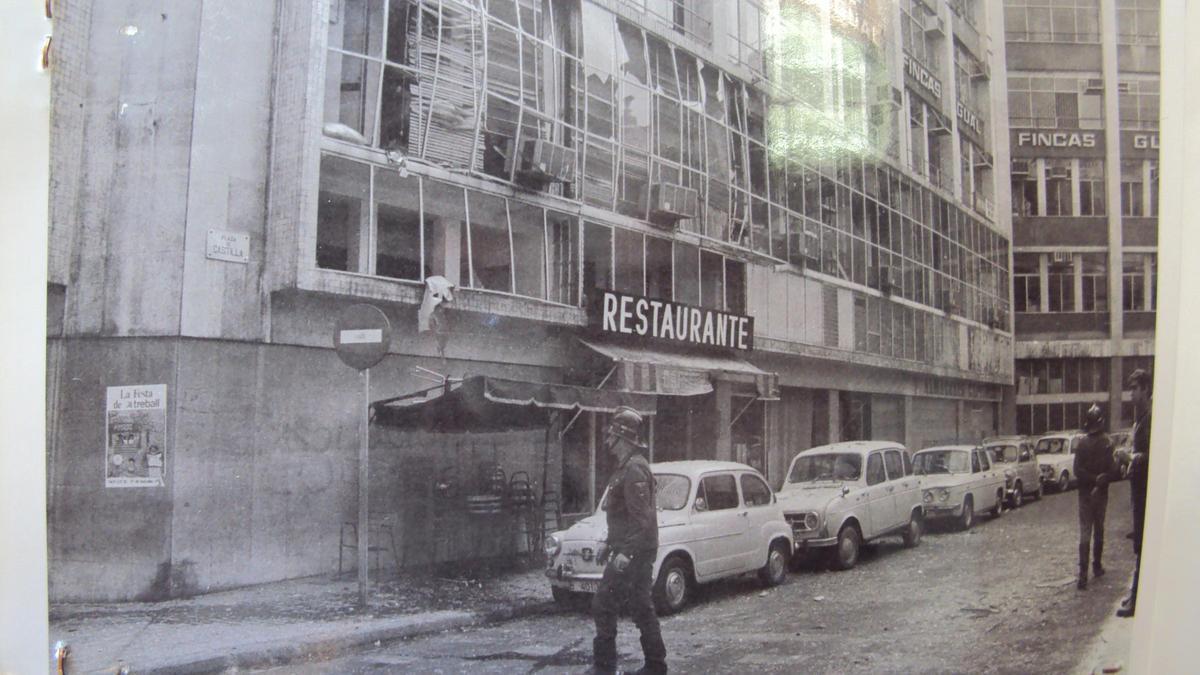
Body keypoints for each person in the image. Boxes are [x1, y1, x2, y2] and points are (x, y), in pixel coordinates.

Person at [590, 406, 667, 675]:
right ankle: (656, 666)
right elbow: (621, 517)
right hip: (629, 549)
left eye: (612, 437)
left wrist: (627, 553)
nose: (609, 442)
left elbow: (641, 519)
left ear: (624, 440)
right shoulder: (625, 468)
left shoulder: (634, 469)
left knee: (605, 603)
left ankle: (605, 668)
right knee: (639, 605)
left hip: (635, 553)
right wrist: (609, 543)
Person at [1118, 369, 1152, 617]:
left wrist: (1131, 457)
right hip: (1138, 488)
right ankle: (1137, 593)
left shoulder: (1150, 417)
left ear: (1145, 389)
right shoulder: (1140, 418)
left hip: (1146, 490)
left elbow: (1152, 455)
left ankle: (1138, 597)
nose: (1131, 392)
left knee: (1143, 542)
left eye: (1134, 388)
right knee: (1140, 540)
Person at [1073, 404, 1118, 590]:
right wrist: (1100, 479)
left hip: (1085, 495)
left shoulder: (1082, 443)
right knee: (1099, 529)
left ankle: (1083, 576)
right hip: (1101, 494)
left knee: (1085, 532)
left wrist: (1091, 479)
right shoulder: (1108, 442)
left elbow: (1077, 470)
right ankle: (1096, 566)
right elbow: (1114, 470)